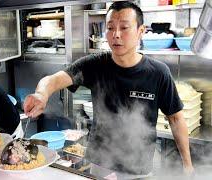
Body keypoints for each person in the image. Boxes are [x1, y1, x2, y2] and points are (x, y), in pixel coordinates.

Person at [23, 1, 193, 177]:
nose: (116, 35)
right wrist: (41, 94)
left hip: (140, 168)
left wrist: (187, 165)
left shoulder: (158, 72)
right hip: (101, 164)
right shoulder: (95, 64)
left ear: (140, 31)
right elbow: (54, 79)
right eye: (110, 28)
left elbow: (176, 119)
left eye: (124, 28)